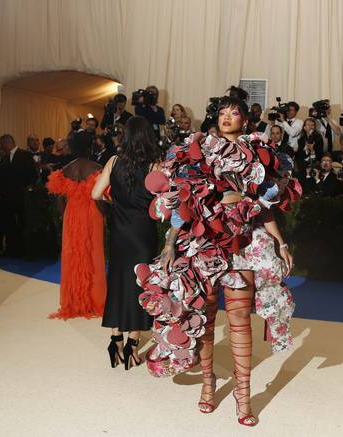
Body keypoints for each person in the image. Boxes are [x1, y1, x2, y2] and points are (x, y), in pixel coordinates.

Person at [135, 91, 299, 427]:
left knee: (240, 319)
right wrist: (169, 246)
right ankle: (208, 384)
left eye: (234, 112)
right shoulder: (199, 149)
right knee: (206, 317)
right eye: (222, 112)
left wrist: (280, 243)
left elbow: (263, 205)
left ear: (245, 119)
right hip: (204, 241)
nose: (227, 117)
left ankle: (243, 394)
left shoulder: (257, 151)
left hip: (244, 242)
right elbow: (184, 203)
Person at [91, 116, 161, 370]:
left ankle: (114, 340)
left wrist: (115, 204)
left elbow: (95, 194)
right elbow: (163, 202)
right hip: (143, 234)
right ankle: (133, 344)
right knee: (141, 286)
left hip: (120, 233)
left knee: (118, 283)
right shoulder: (155, 165)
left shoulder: (113, 161)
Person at [47, 132, 106, 319]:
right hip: (93, 214)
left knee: (73, 255)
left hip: (71, 214)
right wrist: (104, 215)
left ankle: (73, 302)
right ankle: (96, 301)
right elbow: (103, 198)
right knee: (93, 255)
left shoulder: (65, 170)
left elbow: (58, 200)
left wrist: (66, 214)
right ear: (90, 146)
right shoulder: (97, 168)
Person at [0, 134, 37, 257]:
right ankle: (11, 249)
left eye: (3, 144)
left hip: (22, 196)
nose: (2, 147)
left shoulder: (25, 155)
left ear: (8, 142)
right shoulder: (4, 159)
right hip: (8, 197)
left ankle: (25, 249)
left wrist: (28, 187)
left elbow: (32, 174)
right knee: (9, 223)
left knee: (23, 223)